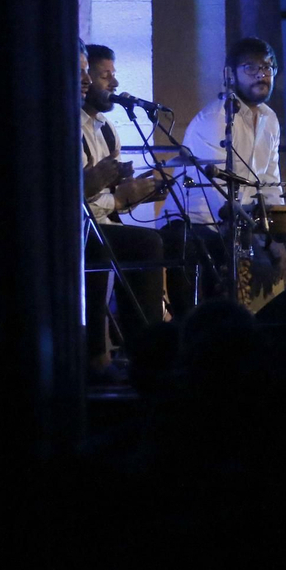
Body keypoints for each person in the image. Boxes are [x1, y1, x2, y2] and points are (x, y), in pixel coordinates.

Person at [162, 37, 285, 314]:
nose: (261, 75)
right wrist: (254, 238)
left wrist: (277, 233)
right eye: (250, 68)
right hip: (195, 222)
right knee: (225, 249)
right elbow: (214, 195)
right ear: (230, 75)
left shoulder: (269, 119)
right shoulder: (216, 119)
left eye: (267, 67)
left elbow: (269, 184)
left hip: (240, 219)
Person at [81, 43, 168, 377]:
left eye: (113, 76)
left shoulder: (105, 127)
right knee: (145, 244)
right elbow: (83, 195)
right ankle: (136, 353)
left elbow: (109, 192)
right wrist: (117, 198)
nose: (114, 85)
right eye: (105, 76)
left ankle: (162, 344)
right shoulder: (71, 125)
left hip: (105, 220)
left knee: (172, 238)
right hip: (84, 226)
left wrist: (136, 192)